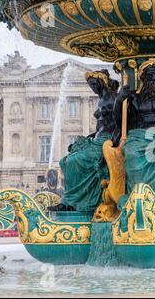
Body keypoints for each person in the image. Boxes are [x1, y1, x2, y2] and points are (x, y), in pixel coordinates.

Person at [113, 58, 155, 208]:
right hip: (138, 135)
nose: (152, 78)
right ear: (142, 79)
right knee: (131, 154)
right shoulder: (134, 97)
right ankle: (136, 195)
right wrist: (119, 100)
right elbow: (119, 122)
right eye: (148, 75)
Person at [50, 69, 117, 212]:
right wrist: (88, 138)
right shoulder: (101, 100)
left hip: (107, 140)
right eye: (90, 84)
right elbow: (101, 127)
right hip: (98, 138)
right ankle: (69, 200)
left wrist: (113, 144)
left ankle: (73, 202)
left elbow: (119, 125)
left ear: (102, 82)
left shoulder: (113, 98)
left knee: (76, 160)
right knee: (65, 161)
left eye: (94, 84)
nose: (92, 87)